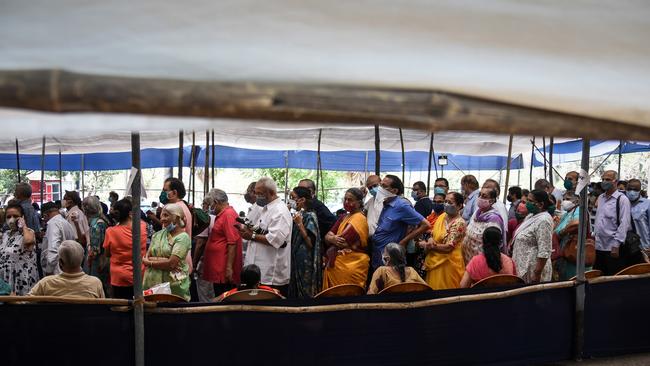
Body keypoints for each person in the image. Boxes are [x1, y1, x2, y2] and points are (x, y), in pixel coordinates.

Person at [239, 177, 292, 296]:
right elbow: (261, 230)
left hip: (270, 274)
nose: (257, 196)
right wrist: (248, 230)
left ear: (272, 193)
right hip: (258, 272)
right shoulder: (266, 209)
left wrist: (251, 236)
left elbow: (275, 239)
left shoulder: (280, 211)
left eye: (260, 194)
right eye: (256, 193)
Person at [371, 175, 431, 269]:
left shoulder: (401, 205)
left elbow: (426, 225)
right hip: (377, 254)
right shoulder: (384, 203)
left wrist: (403, 241)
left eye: (384, 186)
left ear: (394, 191)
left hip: (390, 258)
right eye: (380, 185)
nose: (380, 189)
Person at [322, 188, 370, 289]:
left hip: (352, 265)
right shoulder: (343, 217)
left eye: (350, 200)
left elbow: (341, 240)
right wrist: (332, 239)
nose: (346, 202)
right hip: (336, 264)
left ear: (359, 202)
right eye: (345, 199)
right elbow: (327, 236)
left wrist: (332, 238)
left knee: (349, 296)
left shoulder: (359, 219)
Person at [143, 203, 192, 301]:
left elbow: (172, 264)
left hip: (173, 286)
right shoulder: (157, 235)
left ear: (177, 217)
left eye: (166, 215)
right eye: (162, 215)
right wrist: (165, 260)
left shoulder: (183, 238)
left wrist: (150, 263)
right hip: (152, 284)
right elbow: (146, 256)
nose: (162, 219)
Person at [201, 189, 243, 298]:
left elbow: (232, 242)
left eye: (210, 204)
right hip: (219, 267)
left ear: (215, 202)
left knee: (223, 297)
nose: (210, 207)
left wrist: (229, 268)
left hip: (223, 269)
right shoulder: (222, 214)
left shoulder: (228, 215)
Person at [419, 192, 466, 290]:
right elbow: (433, 233)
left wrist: (429, 246)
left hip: (448, 263)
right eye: (446, 202)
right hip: (434, 259)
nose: (446, 204)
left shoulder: (459, 223)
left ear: (459, 206)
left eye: (450, 202)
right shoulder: (442, 216)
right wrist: (431, 240)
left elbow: (449, 247)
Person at [103, 198, 147, 299]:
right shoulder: (142, 226)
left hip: (119, 277)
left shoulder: (111, 232)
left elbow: (107, 254)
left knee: (121, 306)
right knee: (138, 304)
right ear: (130, 213)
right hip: (140, 274)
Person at [29, 241, 104, 298]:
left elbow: (25, 302)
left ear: (60, 262)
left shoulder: (46, 283)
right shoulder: (95, 283)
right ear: (82, 259)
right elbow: (103, 309)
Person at [511, 190, 554, 284]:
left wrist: (537, 274)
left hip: (533, 271)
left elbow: (544, 251)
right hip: (523, 267)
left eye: (530, 201)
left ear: (540, 204)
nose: (527, 203)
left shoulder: (544, 220)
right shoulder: (531, 216)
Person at [594, 170, 631, 275]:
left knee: (613, 278)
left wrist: (616, 244)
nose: (604, 182)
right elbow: (599, 220)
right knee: (599, 277)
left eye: (608, 179)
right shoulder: (601, 198)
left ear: (615, 182)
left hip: (613, 247)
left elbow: (624, 223)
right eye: (603, 179)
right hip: (599, 246)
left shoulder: (622, 199)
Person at [288, 186, 322, 298]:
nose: (290, 200)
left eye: (293, 197)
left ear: (302, 200)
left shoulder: (310, 216)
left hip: (306, 261)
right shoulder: (299, 214)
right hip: (296, 259)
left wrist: (300, 224)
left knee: (305, 292)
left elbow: (310, 243)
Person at [0, 201, 38, 295]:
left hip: (22, 279)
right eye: (8, 217)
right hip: (6, 278)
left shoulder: (28, 232)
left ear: (22, 217)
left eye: (15, 216)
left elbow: (28, 241)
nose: (11, 219)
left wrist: (23, 225)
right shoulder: (6, 235)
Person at [462, 188, 505, 265]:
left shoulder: (494, 219)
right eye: (480, 195)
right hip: (468, 258)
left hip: (482, 261)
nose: (480, 198)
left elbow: (492, 244)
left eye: (484, 196)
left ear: (491, 201)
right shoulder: (477, 213)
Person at [554, 192, 591, 280]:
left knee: (574, 280)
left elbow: (577, 223)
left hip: (575, 252)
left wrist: (562, 233)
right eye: (563, 199)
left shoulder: (578, 210)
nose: (564, 202)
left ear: (577, 200)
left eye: (568, 199)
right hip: (566, 254)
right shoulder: (567, 213)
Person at [81, 196, 109, 294]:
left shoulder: (96, 225)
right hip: (102, 261)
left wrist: (88, 240)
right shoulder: (102, 220)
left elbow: (94, 251)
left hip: (96, 264)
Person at [41, 201, 77, 275]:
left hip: (56, 271)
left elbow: (53, 249)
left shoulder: (52, 224)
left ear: (45, 215)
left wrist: (49, 271)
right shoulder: (66, 223)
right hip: (68, 267)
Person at [215, 264, 280, 301]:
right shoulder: (270, 292)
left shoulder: (230, 294)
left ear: (241, 279)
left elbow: (214, 301)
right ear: (259, 281)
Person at [627, 179, 650, 261]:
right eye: (629, 189)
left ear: (640, 190)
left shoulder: (647, 204)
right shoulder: (623, 203)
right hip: (625, 247)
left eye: (635, 189)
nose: (632, 192)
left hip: (643, 248)